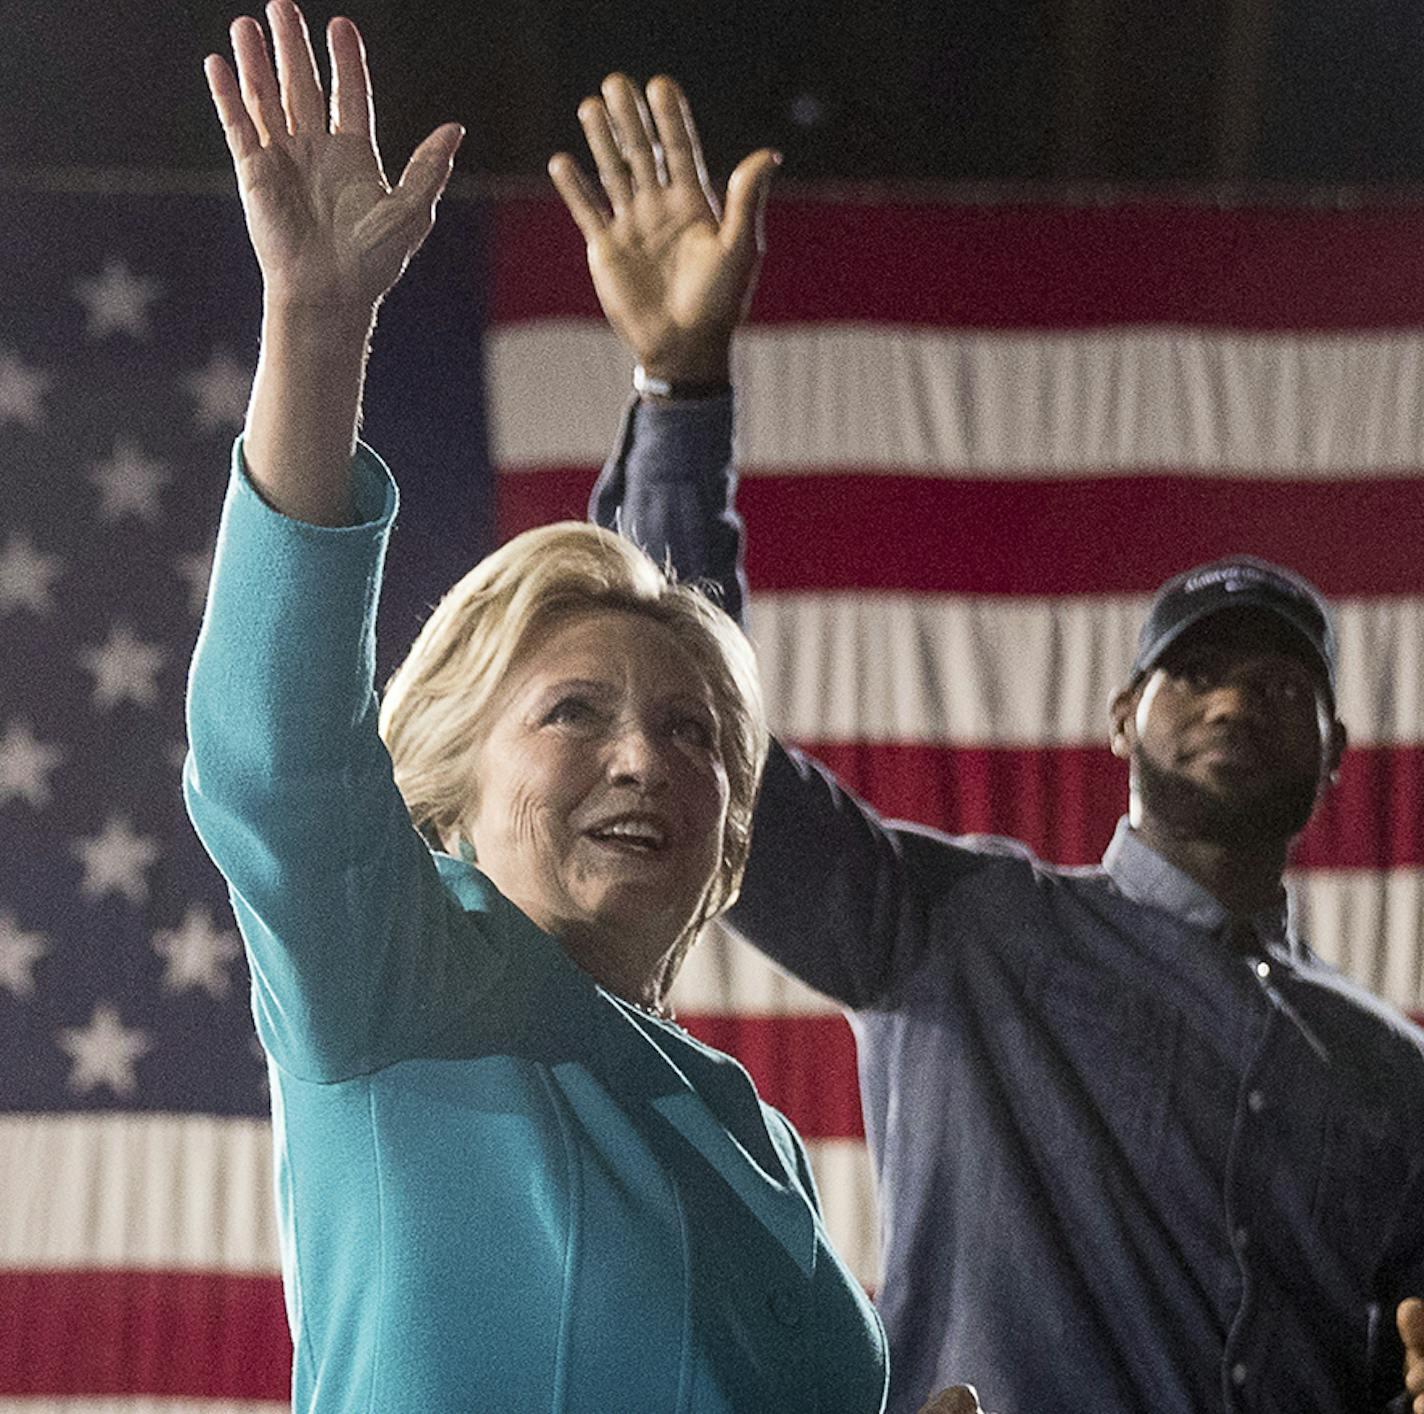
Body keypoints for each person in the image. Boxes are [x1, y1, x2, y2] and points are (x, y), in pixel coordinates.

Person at [552, 74, 1424, 1414]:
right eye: (1194, 670)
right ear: (1123, 718)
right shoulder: (957, 929)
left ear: (1336, 751)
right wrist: (680, 387)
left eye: (1277, 681)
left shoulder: (1391, 1074)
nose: (1236, 699)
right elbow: (697, 725)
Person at [187, 8, 904, 1409]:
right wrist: (319, 333)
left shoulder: (756, 1137)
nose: (646, 755)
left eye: (695, 731)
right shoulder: (391, 975)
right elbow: (273, 766)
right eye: (573, 710)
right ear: (445, 776)